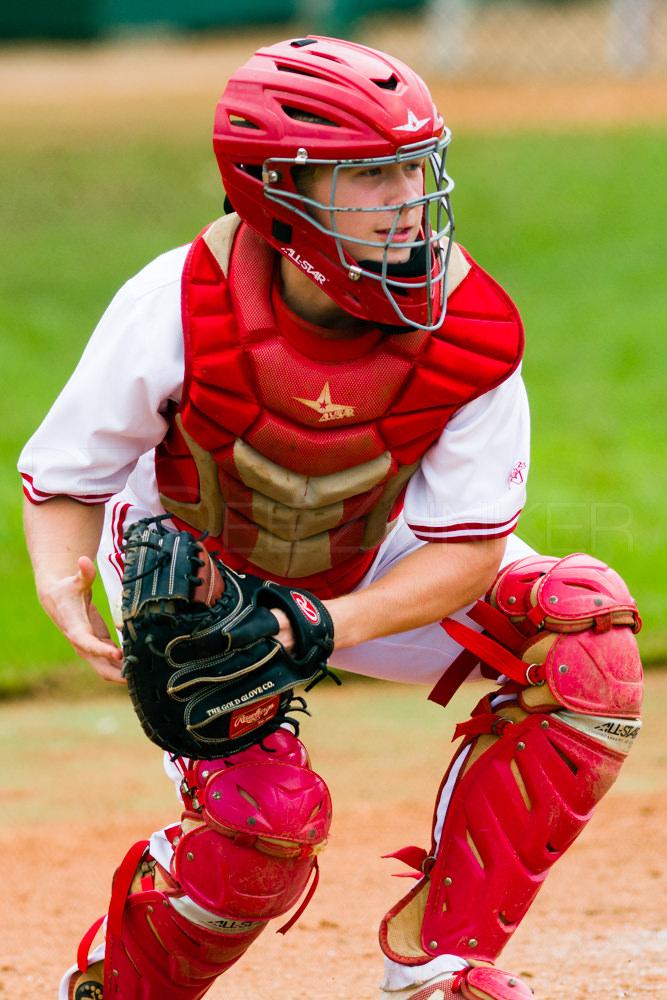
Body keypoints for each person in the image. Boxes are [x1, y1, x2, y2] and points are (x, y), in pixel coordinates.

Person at [19, 36, 643, 1000]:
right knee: (264, 824)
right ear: (272, 189)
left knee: (585, 636)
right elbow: (69, 477)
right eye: (368, 176)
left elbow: (469, 550)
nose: (407, 195)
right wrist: (67, 589)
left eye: (414, 165)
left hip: (369, 558)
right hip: (199, 574)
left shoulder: (467, 322)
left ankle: (445, 962)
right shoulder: (177, 301)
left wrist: (321, 628)